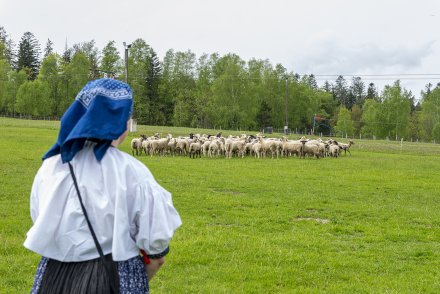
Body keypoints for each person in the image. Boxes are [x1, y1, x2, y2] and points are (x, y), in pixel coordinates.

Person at [24, 78, 182, 293]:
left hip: (52, 277)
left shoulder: (51, 166)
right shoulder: (131, 171)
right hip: (114, 275)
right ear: (122, 122)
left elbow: (38, 217)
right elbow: (157, 248)